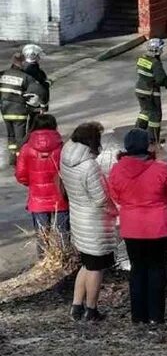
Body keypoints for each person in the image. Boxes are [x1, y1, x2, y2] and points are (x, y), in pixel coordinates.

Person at [108, 129, 167, 328]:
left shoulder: (117, 169)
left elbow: (115, 195)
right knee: (157, 270)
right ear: (147, 145)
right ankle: (156, 316)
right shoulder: (161, 168)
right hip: (159, 226)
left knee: (137, 269)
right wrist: (163, 208)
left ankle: (138, 316)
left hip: (132, 227)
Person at [60, 122, 116, 323]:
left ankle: (76, 306)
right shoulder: (89, 166)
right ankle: (91, 309)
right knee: (96, 268)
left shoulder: (66, 158)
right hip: (94, 223)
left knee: (86, 263)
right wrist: (115, 210)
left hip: (79, 218)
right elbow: (100, 199)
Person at [14, 113, 68, 256]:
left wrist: (33, 184)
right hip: (60, 198)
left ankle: (46, 263)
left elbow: (20, 175)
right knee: (63, 233)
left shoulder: (26, 148)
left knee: (43, 236)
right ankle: (65, 260)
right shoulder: (62, 147)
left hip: (37, 199)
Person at [1, 53, 43, 165]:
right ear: (23, 62)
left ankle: (12, 155)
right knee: (20, 137)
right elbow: (37, 91)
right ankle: (20, 160)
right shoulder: (25, 77)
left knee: (11, 134)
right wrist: (41, 105)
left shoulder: (3, 74)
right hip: (19, 111)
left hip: (5, 111)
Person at [134, 38, 167, 145]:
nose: (162, 50)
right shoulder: (155, 62)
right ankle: (153, 139)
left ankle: (137, 133)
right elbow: (161, 78)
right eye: (161, 48)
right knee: (155, 115)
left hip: (140, 90)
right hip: (150, 92)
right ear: (157, 49)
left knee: (144, 112)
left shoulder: (141, 58)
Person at [21, 44, 50, 110]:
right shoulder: (32, 70)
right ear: (33, 56)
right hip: (34, 102)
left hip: (31, 101)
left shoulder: (27, 67)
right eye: (38, 55)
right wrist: (47, 83)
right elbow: (40, 88)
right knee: (36, 119)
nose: (39, 57)